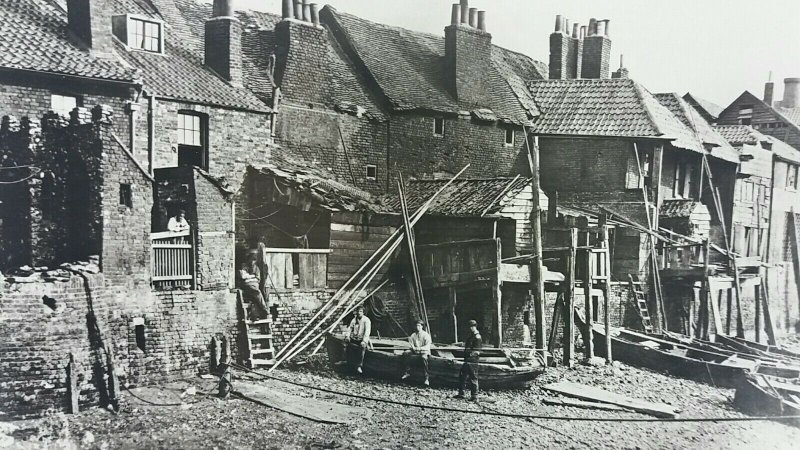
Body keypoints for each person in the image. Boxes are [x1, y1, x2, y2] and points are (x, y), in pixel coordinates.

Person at [455, 319, 482, 402]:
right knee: (462, 375)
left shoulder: (477, 337)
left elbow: (477, 351)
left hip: (472, 360)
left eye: (472, 327)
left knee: (473, 377)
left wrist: (469, 356)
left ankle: (475, 396)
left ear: (475, 327)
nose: (471, 328)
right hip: (467, 359)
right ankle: (461, 393)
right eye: (470, 327)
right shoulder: (471, 335)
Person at [401, 320, 432, 386]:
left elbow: (428, 346)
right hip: (415, 351)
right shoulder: (413, 335)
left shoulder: (426, 335)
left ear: (422, 327)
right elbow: (411, 343)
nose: (417, 327)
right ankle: (407, 372)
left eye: (419, 326)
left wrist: (420, 348)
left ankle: (426, 378)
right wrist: (413, 347)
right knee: (405, 353)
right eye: (416, 326)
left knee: (424, 358)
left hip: (424, 351)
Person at [345, 306, 371, 373]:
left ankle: (359, 366)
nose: (359, 313)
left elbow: (367, 332)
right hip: (354, 338)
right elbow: (350, 328)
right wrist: (347, 336)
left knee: (362, 348)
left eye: (361, 311)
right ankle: (348, 362)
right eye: (358, 311)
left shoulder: (366, 320)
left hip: (361, 339)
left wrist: (364, 341)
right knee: (348, 346)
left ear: (363, 312)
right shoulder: (354, 320)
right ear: (356, 312)